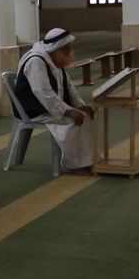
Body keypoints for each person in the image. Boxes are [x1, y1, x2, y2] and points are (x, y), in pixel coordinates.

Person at [13, 27, 95, 175]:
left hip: (51, 108)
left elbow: (69, 87)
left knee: (86, 116)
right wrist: (68, 111)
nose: (69, 52)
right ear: (56, 48)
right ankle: (72, 165)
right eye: (66, 48)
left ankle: (87, 161)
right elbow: (43, 92)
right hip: (34, 110)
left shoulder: (54, 61)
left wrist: (81, 105)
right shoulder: (36, 61)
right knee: (72, 121)